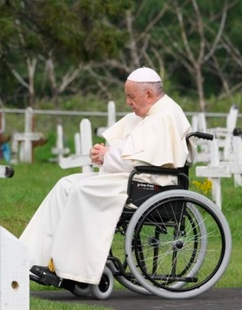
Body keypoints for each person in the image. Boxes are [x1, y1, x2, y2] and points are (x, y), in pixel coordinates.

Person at [19, 67, 191, 290]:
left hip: (150, 184)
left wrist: (108, 156)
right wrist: (106, 152)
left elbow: (143, 161)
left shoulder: (164, 115)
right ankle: (28, 258)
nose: (128, 102)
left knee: (82, 191)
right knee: (67, 184)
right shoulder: (150, 113)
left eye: (131, 96)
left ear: (148, 95)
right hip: (135, 178)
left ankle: (70, 270)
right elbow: (132, 150)